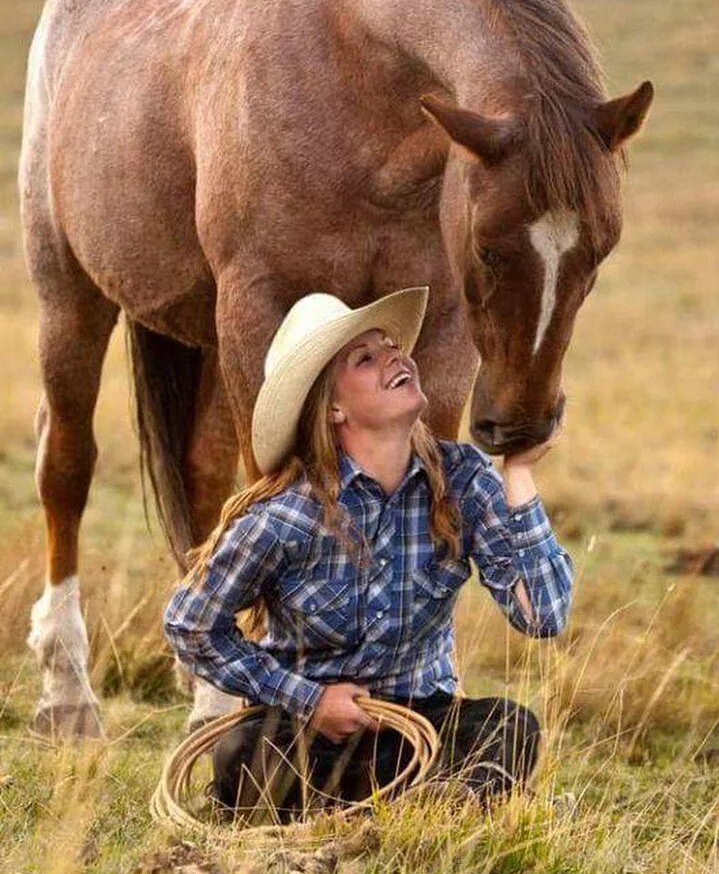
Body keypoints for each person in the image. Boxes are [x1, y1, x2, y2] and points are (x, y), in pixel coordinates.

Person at [164, 286, 573, 821]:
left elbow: (543, 615)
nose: (397, 358)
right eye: (366, 358)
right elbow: (190, 625)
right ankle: (425, 810)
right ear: (334, 407)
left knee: (509, 727)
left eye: (392, 348)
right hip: (304, 729)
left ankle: (382, 809)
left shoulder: (463, 482)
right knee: (246, 754)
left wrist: (518, 474)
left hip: (420, 722)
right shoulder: (287, 516)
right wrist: (309, 700)